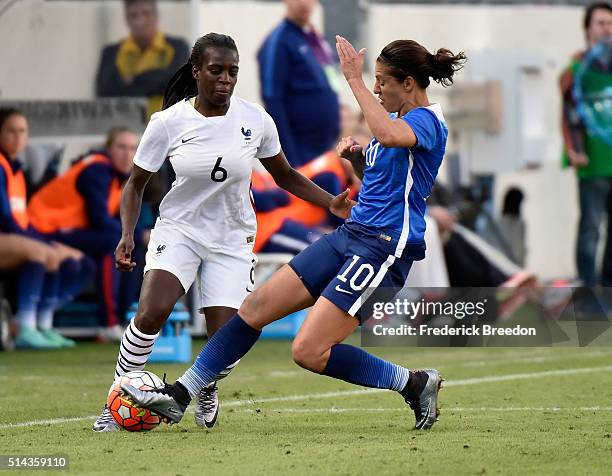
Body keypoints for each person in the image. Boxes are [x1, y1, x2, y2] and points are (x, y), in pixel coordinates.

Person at [122, 37, 467, 431]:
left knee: (308, 350)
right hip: (351, 234)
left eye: (382, 81)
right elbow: (383, 177)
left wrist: (351, 79)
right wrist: (357, 161)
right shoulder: (399, 124)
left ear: (408, 83)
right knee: (253, 310)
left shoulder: (425, 121)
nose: (375, 88)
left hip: (384, 248)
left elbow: (388, 136)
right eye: (372, 80)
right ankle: (180, 397)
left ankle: (414, 383)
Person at [92, 33, 353, 432]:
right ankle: (116, 401)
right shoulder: (167, 122)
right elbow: (134, 184)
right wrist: (127, 234)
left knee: (226, 337)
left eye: (232, 72)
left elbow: (284, 176)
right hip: (180, 229)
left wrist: (329, 202)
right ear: (197, 72)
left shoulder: (255, 119)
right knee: (151, 312)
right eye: (216, 70)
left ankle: (206, 388)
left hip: (232, 238)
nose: (225, 79)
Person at [28, 127, 144, 342]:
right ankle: (108, 324)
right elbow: (99, 219)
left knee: (132, 245)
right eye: (121, 147)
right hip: (42, 227)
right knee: (113, 242)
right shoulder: (98, 169)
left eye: (132, 148)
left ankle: (124, 319)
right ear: (109, 149)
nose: (127, 153)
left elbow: (120, 220)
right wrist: (131, 237)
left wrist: (139, 235)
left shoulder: (121, 178)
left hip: (68, 230)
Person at [0, 108, 93, 349]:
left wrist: (44, 240)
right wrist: (43, 243)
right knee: (44, 253)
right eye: (11, 131)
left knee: (74, 260)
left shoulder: (16, 170)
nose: (17, 137)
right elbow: (6, 219)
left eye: (22, 131)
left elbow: (21, 220)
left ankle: (43, 325)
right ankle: (25, 327)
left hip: (14, 237)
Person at [559, 2, 612, 288]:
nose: (607, 29)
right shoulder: (577, 68)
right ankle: (587, 291)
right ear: (588, 29)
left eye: (610, 23)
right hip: (591, 162)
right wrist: (573, 148)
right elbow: (569, 113)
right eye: (601, 23)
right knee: (591, 228)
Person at [257, 0, 340, 167]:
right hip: (301, 153)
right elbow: (272, 100)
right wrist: (290, 162)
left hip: (326, 148)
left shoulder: (316, 39)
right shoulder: (279, 41)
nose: (303, 3)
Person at [95, 0, 190, 118]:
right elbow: (104, 93)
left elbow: (180, 85)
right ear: (127, 19)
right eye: (134, 15)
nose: (140, 21)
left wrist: (134, 79)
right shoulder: (111, 52)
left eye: (146, 14)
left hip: (168, 127)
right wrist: (159, 81)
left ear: (156, 16)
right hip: (126, 129)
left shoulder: (177, 47)